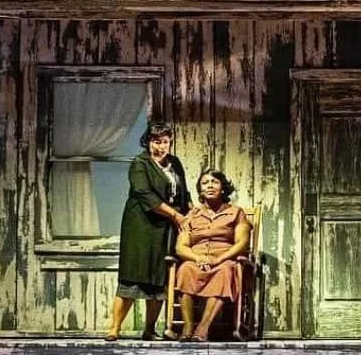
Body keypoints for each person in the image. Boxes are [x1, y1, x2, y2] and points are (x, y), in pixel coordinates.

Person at [104, 122, 191, 342]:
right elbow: (146, 196)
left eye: (165, 142)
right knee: (133, 277)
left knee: (158, 278)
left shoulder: (175, 163)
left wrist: (190, 211)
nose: (161, 147)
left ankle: (149, 329)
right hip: (141, 227)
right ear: (147, 142)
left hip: (165, 229)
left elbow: (184, 193)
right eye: (156, 141)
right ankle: (115, 327)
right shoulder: (140, 164)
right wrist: (176, 215)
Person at [172, 169, 252, 342]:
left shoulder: (236, 212)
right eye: (205, 183)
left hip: (224, 259)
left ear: (223, 188)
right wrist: (197, 258)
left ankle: (203, 328)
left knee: (225, 271)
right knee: (185, 269)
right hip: (197, 259)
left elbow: (242, 243)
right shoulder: (193, 215)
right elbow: (181, 246)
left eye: (214, 182)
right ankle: (187, 326)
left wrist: (219, 259)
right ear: (200, 190)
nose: (209, 186)